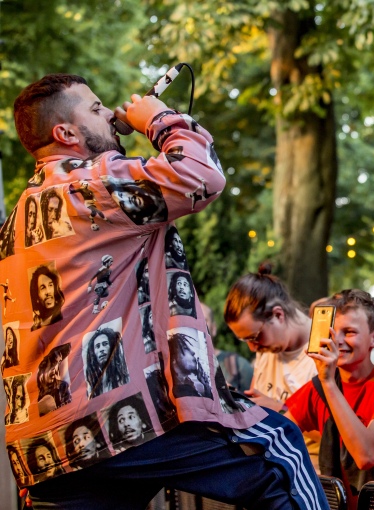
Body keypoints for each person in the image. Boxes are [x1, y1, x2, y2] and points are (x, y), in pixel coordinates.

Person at [4, 74, 326, 509]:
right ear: (67, 133)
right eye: (96, 109)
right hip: (116, 418)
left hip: (43, 444)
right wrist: (158, 118)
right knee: (277, 450)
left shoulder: (17, 221)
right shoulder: (92, 183)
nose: (109, 114)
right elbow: (200, 175)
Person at [286, 289, 374, 510]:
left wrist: (328, 382)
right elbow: (279, 435)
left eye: (350, 332)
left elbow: (367, 455)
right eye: (333, 332)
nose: (339, 341)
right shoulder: (318, 387)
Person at [225, 265, 321, 468]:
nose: (253, 348)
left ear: (278, 315)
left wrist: (282, 409)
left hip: (316, 477)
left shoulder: (323, 349)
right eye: (246, 341)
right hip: (273, 471)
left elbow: (338, 435)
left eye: (255, 337)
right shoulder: (267, 350)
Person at [202, 302, 253, 393]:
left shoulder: (238, 365)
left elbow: (257, 404)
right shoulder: (173, 368)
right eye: (193, 320)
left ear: (214, 328)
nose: (197, 324)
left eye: (203, 320)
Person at [84, 326, 130, 398]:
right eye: (97, 346)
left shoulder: (125, 376)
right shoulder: (92, 388)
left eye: (105, 344)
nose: (101, 349)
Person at [167, 330, 213, 399]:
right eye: (185, 348)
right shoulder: (180, 392)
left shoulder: (188, 387)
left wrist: (205, 385)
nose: (193, 352)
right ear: (173, 358)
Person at [36, 344, 72, 416]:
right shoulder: (39, 392)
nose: (55, 369)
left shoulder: (63, 386)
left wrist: (58, 388)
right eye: (54, 363)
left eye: (59, 363)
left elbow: (67, 406)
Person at [29, 264, 64, 330]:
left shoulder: (64, 314)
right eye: (43, 288)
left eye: (50, 285)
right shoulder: (35, 327)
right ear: (37, 296)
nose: (48, 292)